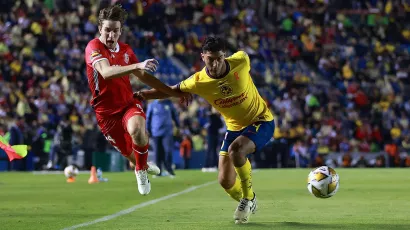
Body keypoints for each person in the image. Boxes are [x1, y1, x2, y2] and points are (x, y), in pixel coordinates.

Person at [135, 37, 275, 224]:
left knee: (236, 150)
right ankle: (249, 199)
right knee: (225, 181)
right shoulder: (198, 81)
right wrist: (144, 95)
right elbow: (171, 90)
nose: (215, 63)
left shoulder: (241, 61)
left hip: (261, 120)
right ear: (203, 57)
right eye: (210, 59)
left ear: (224, 56)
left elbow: (247, 54)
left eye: (219, 58)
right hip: (234, 128)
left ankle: (248, 199)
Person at [84, 5, 187, 195]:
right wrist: (136, 65)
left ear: (121, 31)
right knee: (131, 154)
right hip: (106, 114)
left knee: (137, 129)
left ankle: (140, 170)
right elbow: (106, 72)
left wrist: (171, 92)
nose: (111, 35)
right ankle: (143, 164)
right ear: (100, 29)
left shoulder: (126, 50)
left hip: (128, 104)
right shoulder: (93, 47)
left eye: (115, 31)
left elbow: (144, 77)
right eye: (107, 30)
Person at [146, 99, 179, 176]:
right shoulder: (152, 105)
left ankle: (169, 170)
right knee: (157, 153)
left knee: (168, 151)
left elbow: (175, 115)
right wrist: (148, 130)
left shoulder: (169, 104)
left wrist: (178, 125)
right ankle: (158, 172)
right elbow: (148, 118)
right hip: (156, 132)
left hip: (167, 132)